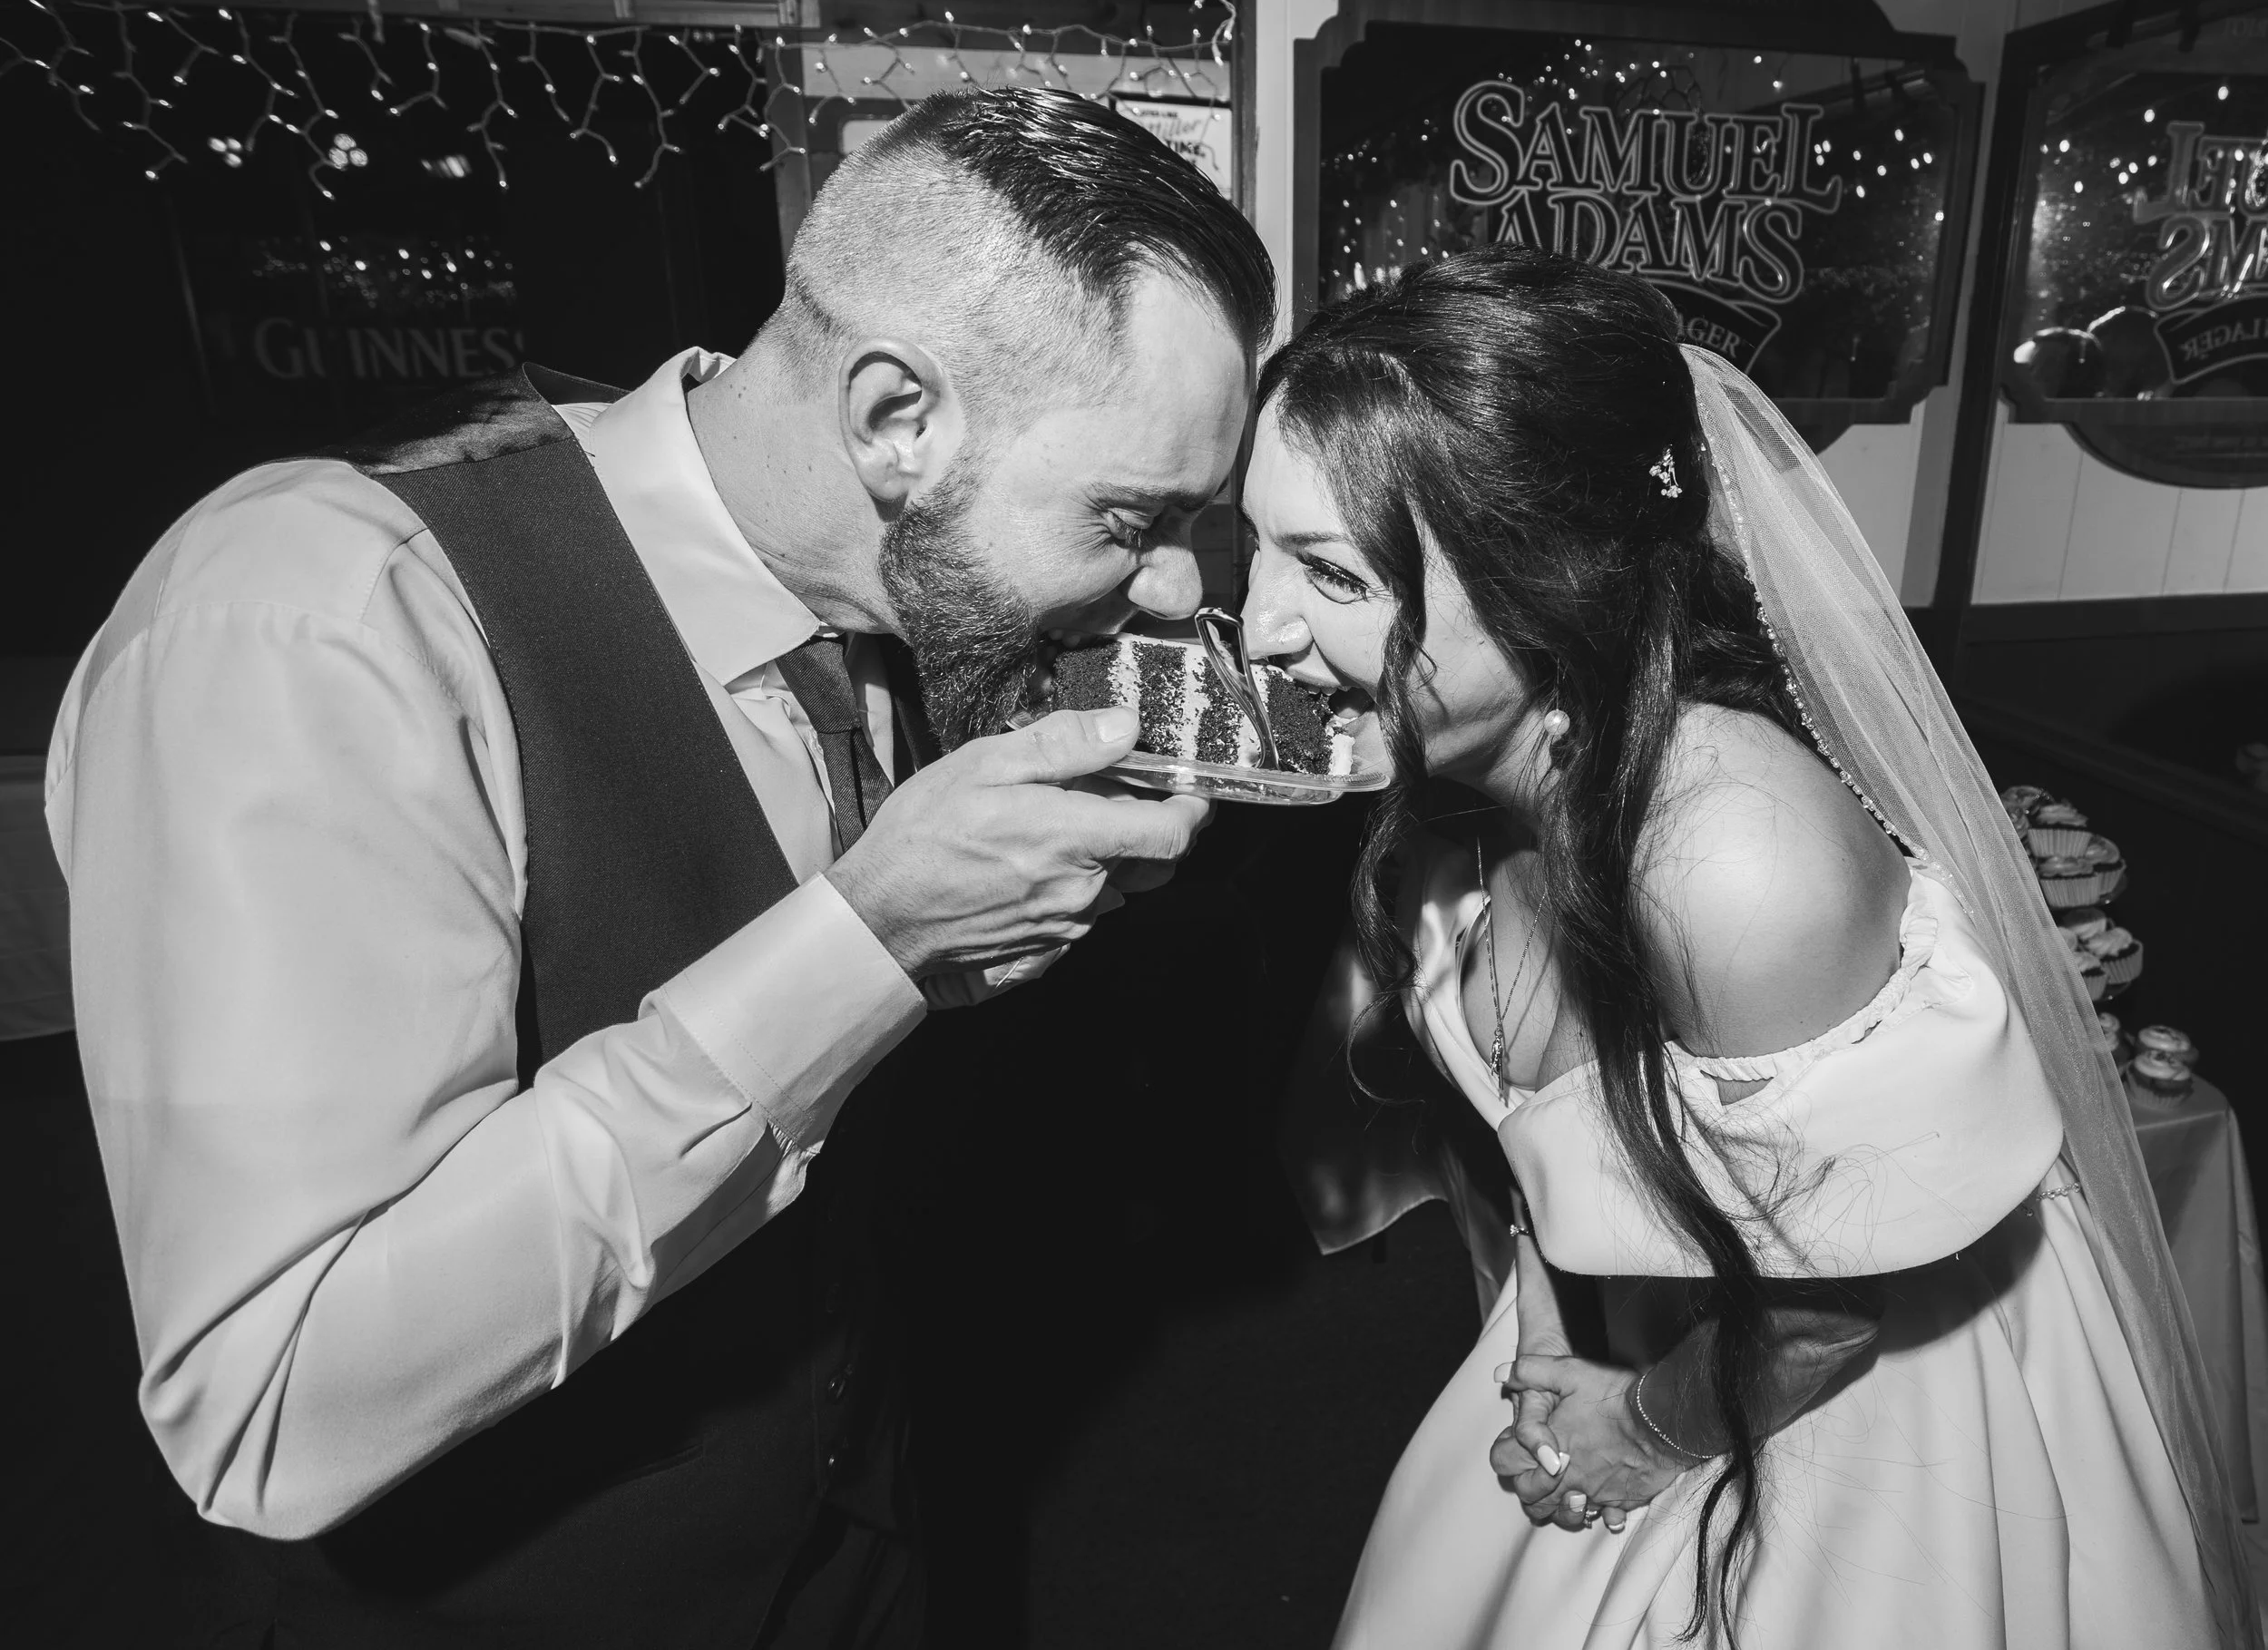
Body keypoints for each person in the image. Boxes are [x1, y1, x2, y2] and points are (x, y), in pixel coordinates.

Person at [44, 86, 1273, 1649]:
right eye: (1127, 516)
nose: (1170, 584)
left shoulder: (883, 605)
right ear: (899, 420)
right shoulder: (320, 618)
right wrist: (861, 944)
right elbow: (272, 1400)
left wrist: (951, 971)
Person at [1246, 247, 2255, 1648]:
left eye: (1329, 574)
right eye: (1259, 550)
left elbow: (1827, 1318)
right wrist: (1548, 1336)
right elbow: (1546, 1139)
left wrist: (1641, 1432)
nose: (1257, 630)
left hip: (1859, 1414)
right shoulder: (1459, 782)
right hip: (1645, 1321)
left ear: (1548, 572)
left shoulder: (1737, 865)